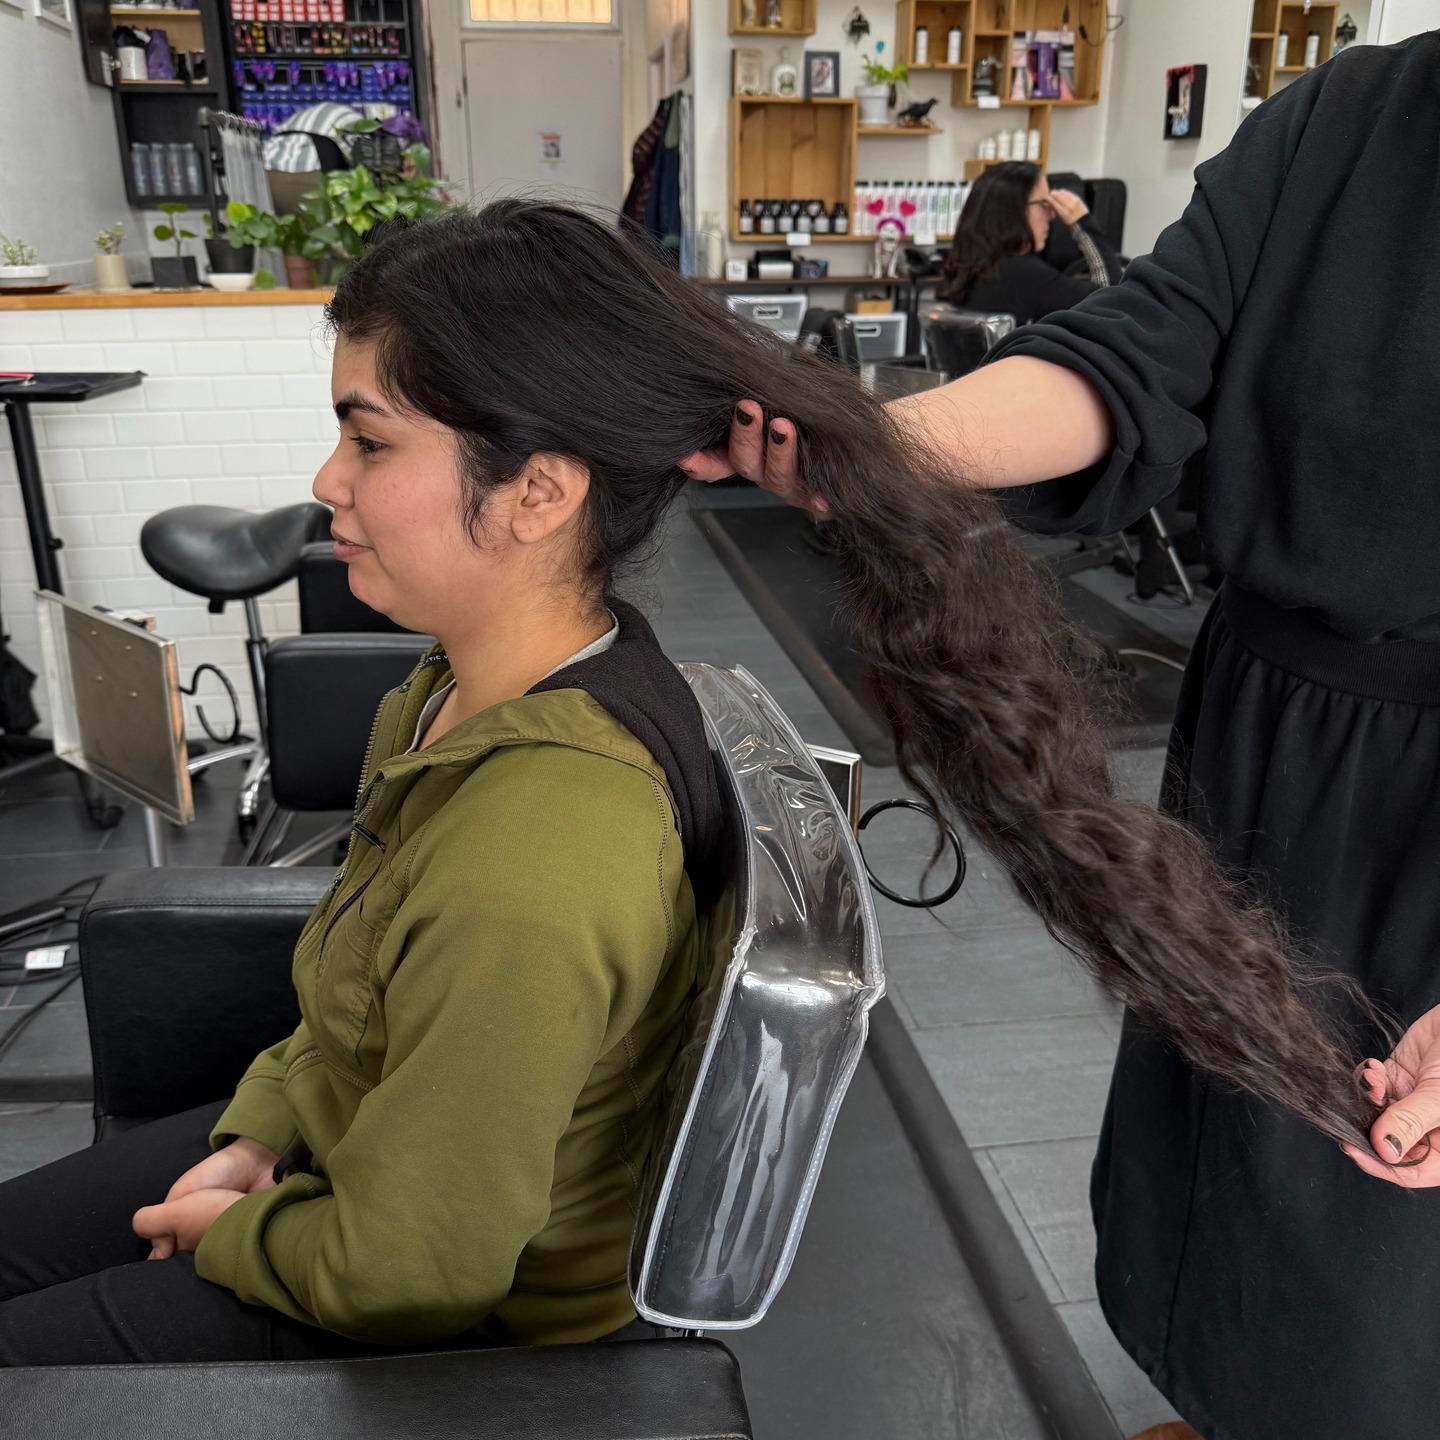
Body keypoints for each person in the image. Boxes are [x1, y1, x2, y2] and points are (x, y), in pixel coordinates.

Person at [0, 198, 1384, 1370]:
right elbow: (350, 1010)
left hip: (414, 1310)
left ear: (540, 493)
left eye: (370, 442)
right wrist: (262, 1132)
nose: (327, 481)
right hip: (343, 1159)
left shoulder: (543, 841)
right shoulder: (453, 695)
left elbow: (413, 1266)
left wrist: (240, 1229)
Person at [688, 32, 1440, 1440]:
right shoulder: (1349, 113)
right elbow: (1124, 362)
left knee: (1380, 1253)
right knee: (1219, 1161)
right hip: (1266, 748)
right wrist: (875, 446)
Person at [936, 160, 1121, 323]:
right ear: (1015, 210)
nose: (1051, 215)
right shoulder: (1021, 274)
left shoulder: (973, 268)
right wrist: (1082, 222)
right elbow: (1111, 301)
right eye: (1043, 204)